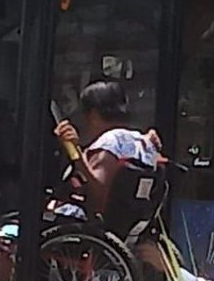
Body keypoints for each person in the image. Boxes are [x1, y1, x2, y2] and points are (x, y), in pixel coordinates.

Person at [52, 80, 162, 222]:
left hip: (96, 225)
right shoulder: (145, 142)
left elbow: (98, 193)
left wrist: (78, 157)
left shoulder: (108, 143)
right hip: (132, 223)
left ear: (93, 115)